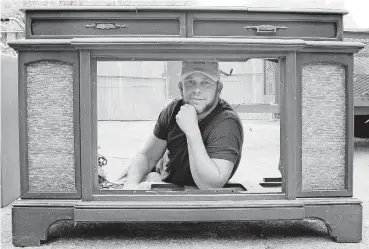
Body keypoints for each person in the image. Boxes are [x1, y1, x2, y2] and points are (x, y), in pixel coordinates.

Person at [109, 61, 244, 190]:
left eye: (206, 83)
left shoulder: (227, 123)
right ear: (181, 87)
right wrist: (131, 186)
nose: (197, 90)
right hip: (165, 179)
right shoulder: (173, 110)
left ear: (218, 88)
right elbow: (147, 157)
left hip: (194, 197)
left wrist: (192, 130)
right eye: (190, 82)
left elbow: (210, 185)